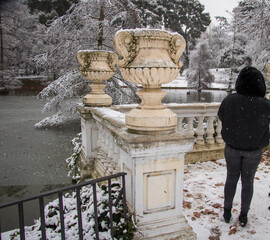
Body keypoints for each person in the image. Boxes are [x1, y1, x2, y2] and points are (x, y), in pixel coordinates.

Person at [218, 66, 270, 227]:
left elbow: (221, 116)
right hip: (253, 150)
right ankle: (243, 214)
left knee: (231, 178)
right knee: (248, 182)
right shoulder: (265, 104)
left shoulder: (230, 99)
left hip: (232, 147)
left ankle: (227, 212)